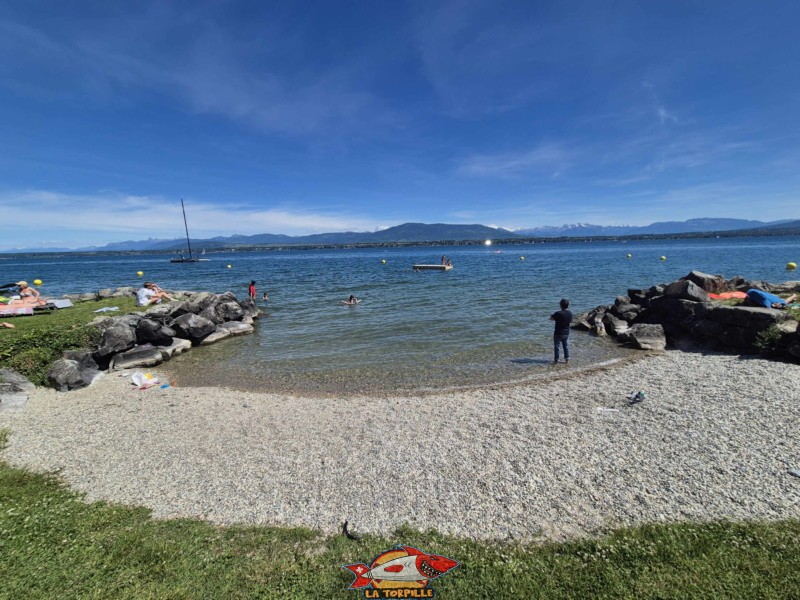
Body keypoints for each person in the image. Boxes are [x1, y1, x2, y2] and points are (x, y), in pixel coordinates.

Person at [550, 298, 572, 364]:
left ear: (560, 305)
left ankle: (556, 360)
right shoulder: (570, 313)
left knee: (557, 347)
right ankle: (567, 359)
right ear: (568, 305)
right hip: (566, 333)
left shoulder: (558, 313)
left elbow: (551, 318)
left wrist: (556, 319)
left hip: (558, 333)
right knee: (566, 346)